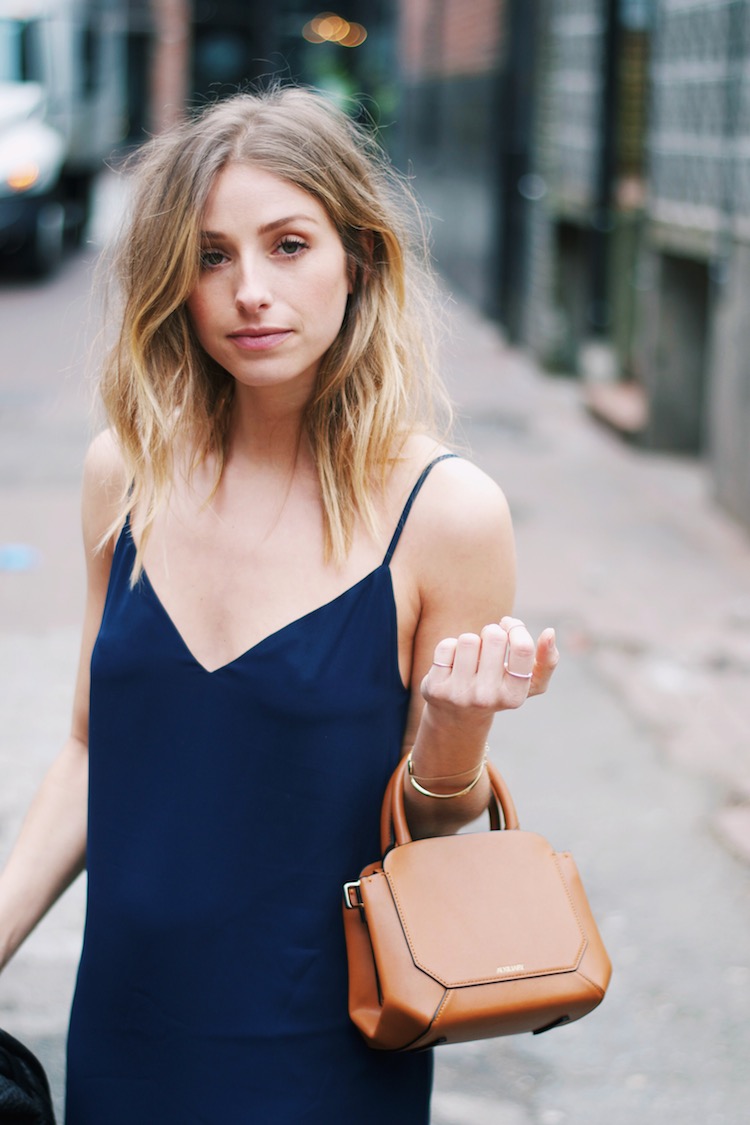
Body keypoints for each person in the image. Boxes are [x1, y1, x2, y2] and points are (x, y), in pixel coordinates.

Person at [0, 85, 558, 1123]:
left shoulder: (447, 512)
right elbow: (90, 752)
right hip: (126, 1023)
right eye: (211, 256)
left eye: (289, 244)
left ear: (360, 258)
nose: (249, 289)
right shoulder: (124, 475)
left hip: (324, 1044)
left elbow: (433, 837)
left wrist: (454, 737)